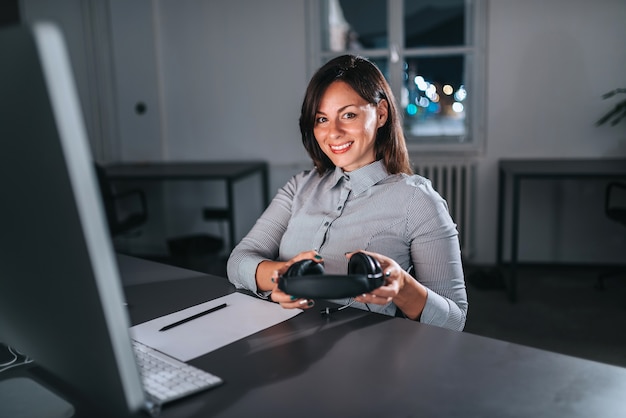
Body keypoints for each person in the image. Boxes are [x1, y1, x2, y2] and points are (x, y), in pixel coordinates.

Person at [227, 54, 467, 331]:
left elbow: (455, 320)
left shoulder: (418, 201)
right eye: (321, 119)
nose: (333, 132)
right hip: (278, 341)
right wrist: (281, 277)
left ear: (381, 114)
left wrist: (403, 288)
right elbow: (239, 260)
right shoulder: (299, 187)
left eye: (348, 115)